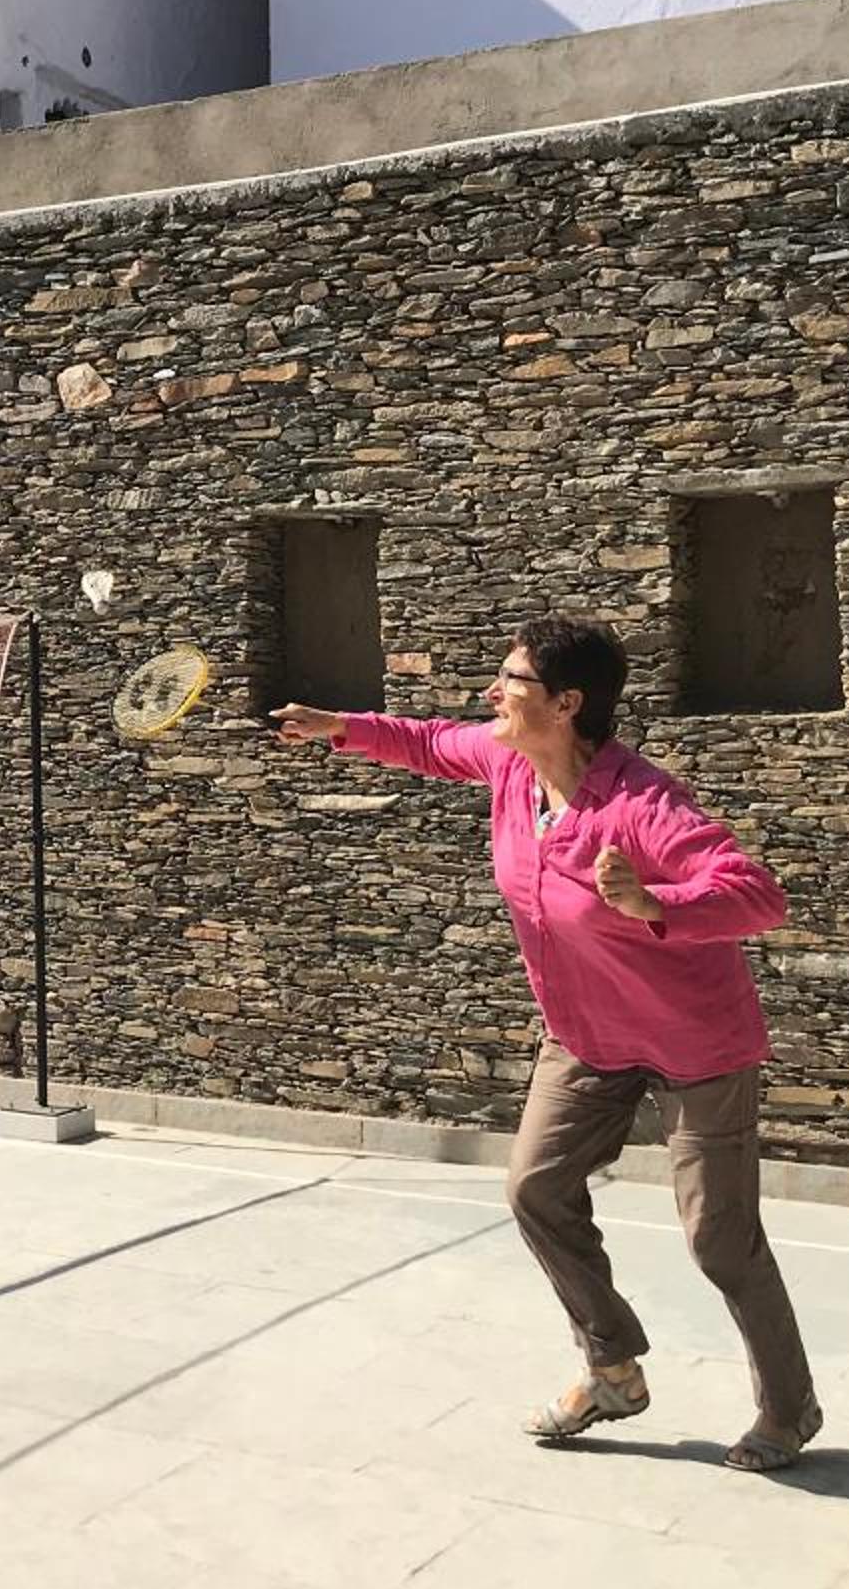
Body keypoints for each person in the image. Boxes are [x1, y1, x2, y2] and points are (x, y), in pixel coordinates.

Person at [272, 615, 819, 1472]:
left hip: (696, 1044)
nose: (493, 692)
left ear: (567, 704)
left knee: (719, 1239)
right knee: (536, 1188)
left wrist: (655, 904)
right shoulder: (510, 766)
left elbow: (757, 895)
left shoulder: (642, 804)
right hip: (588, 1037)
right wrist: (340, 726)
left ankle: (788, 1409)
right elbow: (429, 741)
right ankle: (612, 1369)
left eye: (512, 681)